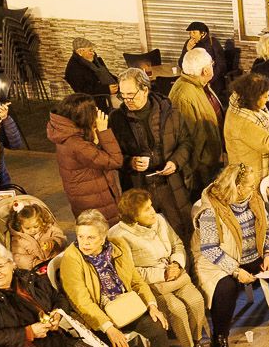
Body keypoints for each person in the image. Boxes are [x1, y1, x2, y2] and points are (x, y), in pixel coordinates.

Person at [58, 208, 194, 347]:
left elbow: (136, 281)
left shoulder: (117, 246)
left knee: (157, 327)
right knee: (118, 346)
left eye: (91, 238)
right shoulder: (72, 259)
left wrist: (152, 305)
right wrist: (109, 327)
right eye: (80, 237)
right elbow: (82, 302)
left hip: (127, 305)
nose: (84, 243)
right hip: (99, 315)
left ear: (103, 237)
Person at [194, 164, 269, 347]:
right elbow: (209, 249)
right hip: (223, 258)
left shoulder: (253, 199)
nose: (254, 189)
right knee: (224, 288)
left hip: (256, 252)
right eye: (250, 186)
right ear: (236, 187)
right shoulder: (210, 210)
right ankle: (220, 335)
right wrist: (236, 271)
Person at [110, 188, 211, 347]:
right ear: (133, 216)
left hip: (175, 275)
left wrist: (176, 264)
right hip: (152, 285)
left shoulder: (161, 220)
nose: (153, 212)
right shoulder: (119, 236)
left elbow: (177, 244)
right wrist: (161, 274)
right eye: (146, 209)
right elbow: (128, 272)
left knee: (196, 301)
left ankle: (197, 343)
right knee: (177, 309)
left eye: (151, 206)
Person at [110, 69, 193, 245]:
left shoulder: (170, 113)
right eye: (123, 96)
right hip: (138, 185)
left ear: (145, 89)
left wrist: (175, 162)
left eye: (131, 95)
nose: (127, 101)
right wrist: (129, 162)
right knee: (147, 238)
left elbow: (186, 143)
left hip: (170, 183)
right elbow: (112, 155)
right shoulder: (116, 119)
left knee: (180, 230)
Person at [49, 96, 127, 224]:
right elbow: (115, 160)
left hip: (87, 196)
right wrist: (104, 131)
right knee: (103, 237)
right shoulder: (77, 144)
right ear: (84, 116)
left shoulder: (66, 133)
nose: (97, 112)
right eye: (93, 110)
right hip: (96, 202)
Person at [167, 46, 225, 199]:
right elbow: (189, 137)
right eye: (211, 64)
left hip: (209, 160)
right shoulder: (184, 96)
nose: (213, 67)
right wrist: (194, 170)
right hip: (200, 168)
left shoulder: (200, 85)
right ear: (205, 71)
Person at [222, 70, 269, 181]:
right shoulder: (243, 120)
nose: (268, 99)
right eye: (265, 96)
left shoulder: (247, 105)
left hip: (255, 171)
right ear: (253, 97)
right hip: (251, 178)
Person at [63, 38, 116, 104]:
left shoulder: (95, 60)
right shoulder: (73, 69)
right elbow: (83, 92)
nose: (93, 53)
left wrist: (118, 81)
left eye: (93, 50)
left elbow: (107, 74)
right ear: (80, 52)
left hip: (110, 91)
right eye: (90, 51)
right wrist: (107, 89)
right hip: (97, 100)